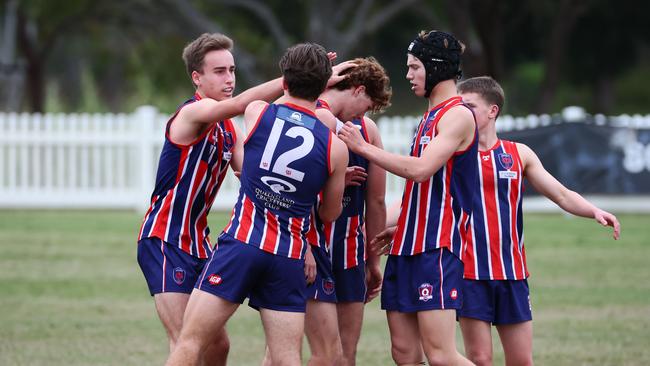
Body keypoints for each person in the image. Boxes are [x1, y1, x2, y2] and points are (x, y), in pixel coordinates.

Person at [165, 42, 349, 366]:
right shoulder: (335, 147)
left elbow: (254, 109)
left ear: (285, 81)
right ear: (323, 87)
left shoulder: (257, 113)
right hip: (288, 256)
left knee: (190, 343)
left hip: (243, 243)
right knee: (286, 360)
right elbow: (330, 213)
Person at [136, 32, 286, 364]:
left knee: (218, 346)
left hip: (200, 244)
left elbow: (255, 176)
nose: (229, 78)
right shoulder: (192, 114)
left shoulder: (229, 130)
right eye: (219, 71)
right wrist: (294, 79)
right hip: (164, 240)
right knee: (186, 342)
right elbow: (235, 106)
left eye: (231, 70)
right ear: (197, 77)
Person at [455, 76, 621, 366]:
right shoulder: (452, 155)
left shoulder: (518, 154)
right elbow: (417, 195)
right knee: (480, 359)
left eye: (469, 106)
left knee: (522, 361)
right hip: (470, 273)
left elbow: (560, 193)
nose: (462, 113)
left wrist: (594, 210)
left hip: (513, 274)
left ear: (492, 110)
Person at [338, 30, 477, 366]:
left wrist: (363, 148)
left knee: (441, 356)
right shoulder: (428, 117)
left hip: (436, 249)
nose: (409, 74)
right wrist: (404, 226)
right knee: (403, 353)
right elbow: (426, 193)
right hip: (406, 247)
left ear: (437, 67)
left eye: (415, 67)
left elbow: (421, 171)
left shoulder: (457, 115)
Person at [304, 57, 391, 365]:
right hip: (312, 248)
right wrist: (336, 179)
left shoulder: (358, 129)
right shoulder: (321, 119)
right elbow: (376, 201)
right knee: (321, 353)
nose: (363, 116)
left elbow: (377, 202)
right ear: (357, 90)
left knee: (341, 353)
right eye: (366, 106)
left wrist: (373, 260)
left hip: (344, 249)